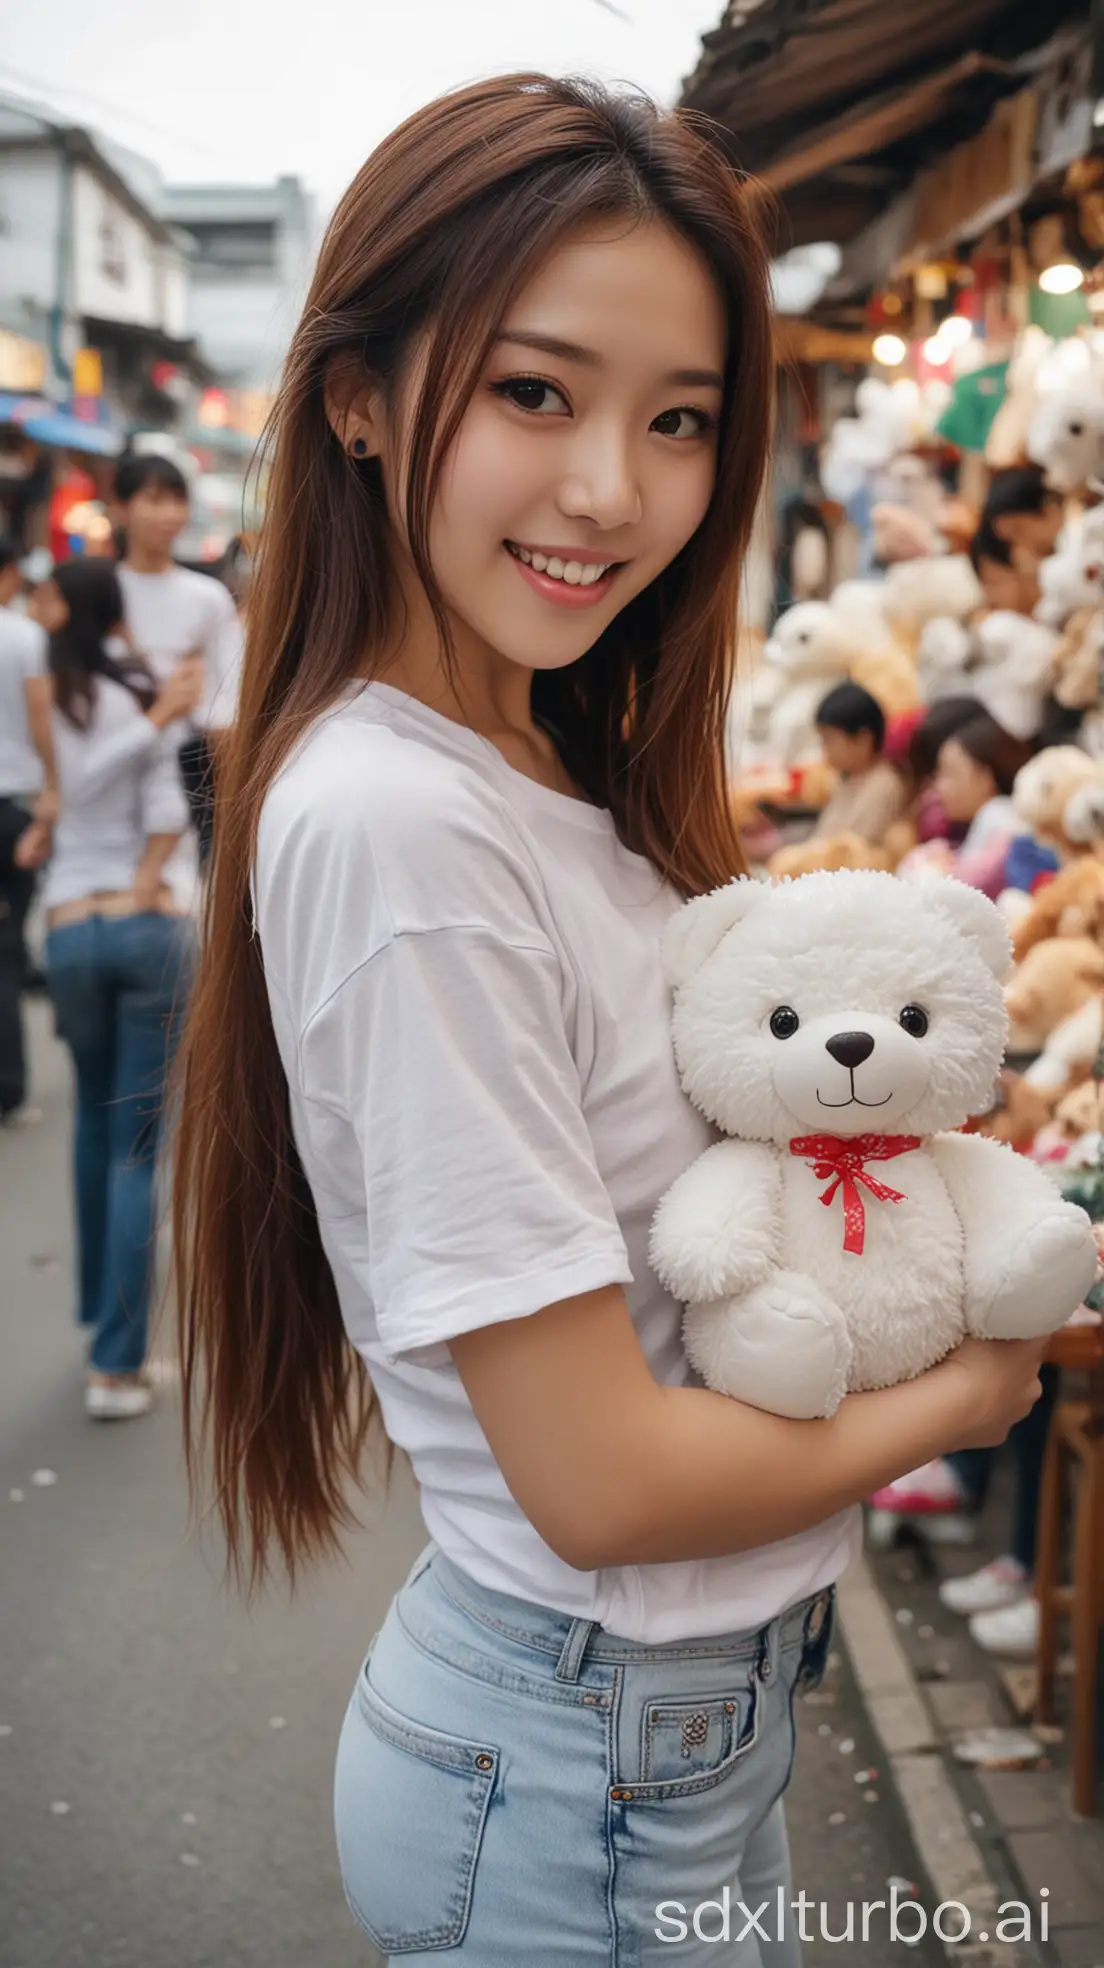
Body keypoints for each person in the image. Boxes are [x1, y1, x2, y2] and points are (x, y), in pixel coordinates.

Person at [172, 77, 1047, 1966]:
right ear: (356, 393)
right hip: (578, 1762)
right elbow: (600, 1476)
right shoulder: (407, 820)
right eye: (531, 392)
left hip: (639, 1731)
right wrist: (965, 1390)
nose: (609, 493)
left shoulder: (529, 758)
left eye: (676, 422)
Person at [36, 560, 200, 1420]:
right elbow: (170, 812)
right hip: (144, 927)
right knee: (136, 1149)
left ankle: (98, 1317)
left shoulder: (48, 692)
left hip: (67, 928)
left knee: (93, 1131)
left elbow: (59, 796)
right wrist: (146, 877)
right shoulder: (140, 696)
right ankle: (115, 1363)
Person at [113, 453, 244, 866]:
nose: (169, 513)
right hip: (112, 769)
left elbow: (229, 694)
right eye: (154, 499)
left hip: (186, 771)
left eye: (177, 500)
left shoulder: (207, 597)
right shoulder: (101, 592)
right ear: (120, 508)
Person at [0, 534, 57, 1123]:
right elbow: (44, 722)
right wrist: (53, 790)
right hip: (12, 805)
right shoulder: (24, 637)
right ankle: (8, 1089)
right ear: (11, 573)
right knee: (7, 947)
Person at [932, 713, 1032, 898]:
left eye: (950, 773)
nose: (939, 786)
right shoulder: (999, 814)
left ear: (985, 778)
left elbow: (966, 885)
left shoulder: (998, 815)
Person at [811, 681, 907, 845]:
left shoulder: (883, 785)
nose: (825, 750)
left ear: (863, 739)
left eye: (829, 740)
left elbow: (851, 849)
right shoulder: (847, 780)